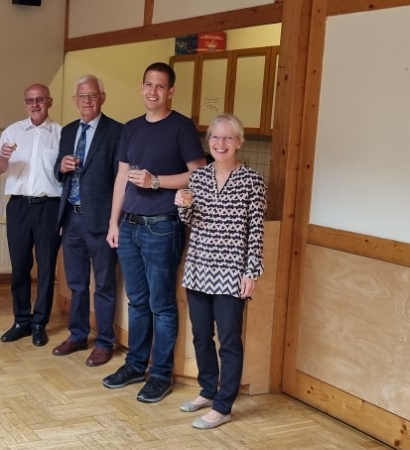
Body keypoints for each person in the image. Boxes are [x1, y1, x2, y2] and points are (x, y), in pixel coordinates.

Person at [102, 62, 204, 403]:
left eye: (160, 86)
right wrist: (113, 222)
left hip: (163, 226)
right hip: (129, 226)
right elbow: (121, 177)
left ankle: (160, 375)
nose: (153, 91)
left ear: (171, 91)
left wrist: (156, 181)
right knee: (138, 302)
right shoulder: (131, 128)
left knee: (161, 305)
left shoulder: (182, 127)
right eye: (148, 84)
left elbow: (199, 173)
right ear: (141, 87)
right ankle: (135, 365)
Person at [176, 114, 266, 430]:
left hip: (231, 272)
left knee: (228, 341)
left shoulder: (252, 180)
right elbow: (191, 221)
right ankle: (207, 390)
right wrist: (183, 205)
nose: (220, 143)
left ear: (239, 142)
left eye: (228, 137)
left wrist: (251, 271)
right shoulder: (199, 177)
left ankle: (223, 405)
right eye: (215, 137)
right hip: (198, 267)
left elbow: (256, 230)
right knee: (201, 335)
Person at [51, 75, 122, 367]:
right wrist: (62, 166)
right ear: (74, 101)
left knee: (104, 285)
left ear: (102, 97)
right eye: (82, 96)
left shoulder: (117, 131)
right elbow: (58, 173)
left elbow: (120, 179)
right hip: (72, 218)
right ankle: (78, 335)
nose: (87, 100)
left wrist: (115, 222)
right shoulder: (68, 131)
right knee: (76, 283)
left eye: (92, 95)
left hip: (101, 221)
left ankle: (104, 342)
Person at [0, 83, 63, 347]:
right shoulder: (12, 132)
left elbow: (67, 175)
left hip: (49, 207)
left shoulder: (61, 134)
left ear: (49, 102)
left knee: (46, 267)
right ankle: (21, 320)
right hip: (19, 206)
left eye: (40, 99)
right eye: (30, 100)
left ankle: (39, 323)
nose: (35, 104)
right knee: (20, 266)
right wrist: (3, 157)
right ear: (24, 104)